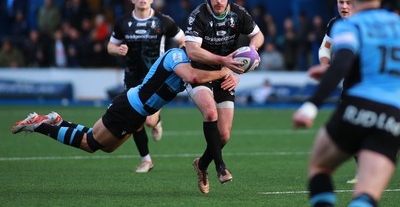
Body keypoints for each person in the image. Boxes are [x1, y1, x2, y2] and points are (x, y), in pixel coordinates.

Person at [293, 0, 400, 207]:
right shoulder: (396, 22)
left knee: (319, 166)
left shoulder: (350, 25)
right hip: (393, 113)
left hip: (358, 104)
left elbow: (340, 64)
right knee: (367, 194)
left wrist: (311, 105)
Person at [11, 47, 237, 163]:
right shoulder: (177, 57)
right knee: (90, 143)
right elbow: (195, 77)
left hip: (135, 112)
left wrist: (232, 73)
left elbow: (201, 78)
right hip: (130, 107)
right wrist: (223, 69)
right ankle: (38, 125)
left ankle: (59, 122)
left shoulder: (192, 65)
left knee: (106, 145)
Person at [184, 0, 264, 194]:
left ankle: (201, 164)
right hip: (199, 72)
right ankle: (220, 167)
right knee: (210, 112)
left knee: (224, 135)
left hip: (225, 73)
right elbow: (192, 51)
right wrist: (224, 62)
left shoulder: (238, 13)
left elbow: (258, 35)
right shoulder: (198, 16)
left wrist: (251, 53)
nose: (218, 0)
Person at [107, 0, 184, 173]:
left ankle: (156, 122)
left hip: (156, 78)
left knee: (148, 120)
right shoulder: (123, 22)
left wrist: (173, 60)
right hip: (132, 78)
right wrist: (118, 49)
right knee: (135, 121)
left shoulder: (164, 21)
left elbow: (182, 40)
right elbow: (110, 46)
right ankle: (146, 160)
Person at [318, 0, 358, 184]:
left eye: (349, 2)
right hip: (351, 84)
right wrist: (326, 66)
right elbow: (325, 49)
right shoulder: (335, 24)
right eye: (341, 2)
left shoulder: (365, 23)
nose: (344, 6)